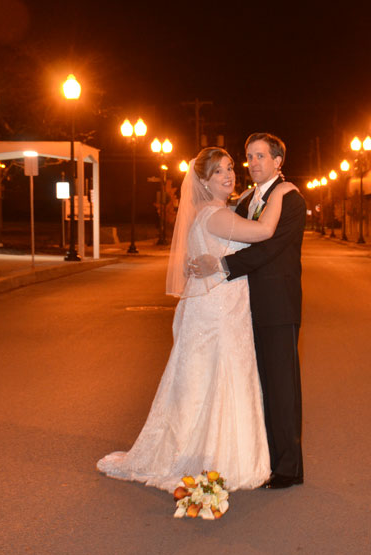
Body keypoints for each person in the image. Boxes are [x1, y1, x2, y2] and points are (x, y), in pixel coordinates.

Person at [96, 147, 296, 492]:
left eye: (231, 168)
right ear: (204, 181)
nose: (229, 175)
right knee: (220, 379)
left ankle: (205, 446)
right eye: (219, 172)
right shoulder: (215, 216)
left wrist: (257, 191)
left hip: (218, 308)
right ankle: (219, 453)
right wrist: (282, 190)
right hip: (219, 312)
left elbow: (211, 243)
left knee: (205, 381)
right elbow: (263, 232)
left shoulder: (215, 212)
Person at [193, 133, 306, 490]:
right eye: (249, 156)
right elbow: (230, 232)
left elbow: (267, 248)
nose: (254, 163)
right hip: (243, 308)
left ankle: (288, 468)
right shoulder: (246, 200)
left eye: (261, 156)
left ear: (278, 161)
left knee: (281, 387)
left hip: (277, 306)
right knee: (257, 388)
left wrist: (221, 265)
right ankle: (262, 460)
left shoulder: (290, 199)